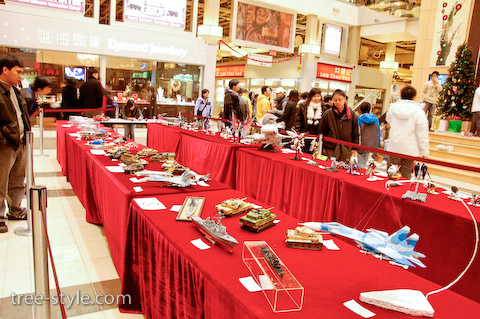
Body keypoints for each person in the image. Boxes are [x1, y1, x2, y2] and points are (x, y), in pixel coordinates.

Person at [0, 56, 31, 233]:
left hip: (20, 141)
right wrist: (5, 139)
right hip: (5, 144)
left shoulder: (15, 90)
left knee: (18, 180)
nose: (20, 75)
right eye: (18, 71)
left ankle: (15, 209)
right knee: (1, 181)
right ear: (5, 70)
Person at [386, 86, 429, 179]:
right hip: (410, 149)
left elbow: (388, 120)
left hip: (394, 146)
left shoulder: (393, 108)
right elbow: (422, 133)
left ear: (401, 95)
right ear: (414, 97)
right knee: (405, 177)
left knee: (392, 176)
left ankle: (389, 191)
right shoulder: (419, 112)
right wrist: (425, 152)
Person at [319, 89, 359, 162]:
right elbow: (321, 131)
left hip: (346, 148)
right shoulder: (327, 114)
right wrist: (323, 147)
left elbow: (355, 132)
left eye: (340, 100)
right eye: (335, 100)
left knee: (343, 170)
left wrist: (354, 148)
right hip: (330, 148)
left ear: (345, 99)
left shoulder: (351, 115)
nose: (337, 102)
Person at [357, 102, 380, 168]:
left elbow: (357, 132)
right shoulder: (375, 119)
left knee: (361, 161)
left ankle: (360, 175)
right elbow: (378, 131)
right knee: (367, 161)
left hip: (362, 142)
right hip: (372, 144)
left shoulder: (359, 119)